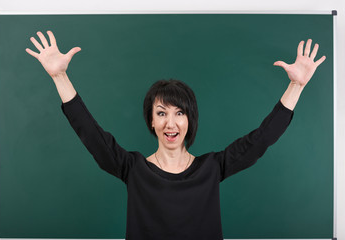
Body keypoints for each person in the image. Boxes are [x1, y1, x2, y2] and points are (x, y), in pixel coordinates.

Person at [26, 31, 326, 240]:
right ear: (151, 122)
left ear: (190, 120)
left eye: (179, 113)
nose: (171, 122)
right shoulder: (133, 169)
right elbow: (90, 133)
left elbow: (261, 139)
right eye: (161, 113)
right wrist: (59, 76)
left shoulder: (212, 168)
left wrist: (296, 86)